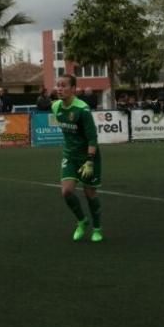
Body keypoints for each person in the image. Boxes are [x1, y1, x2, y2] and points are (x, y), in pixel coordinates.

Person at [53, 74, 104, 242]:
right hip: (70, 155)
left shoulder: (83, 110)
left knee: (90, 193)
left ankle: (97, 229)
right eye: (58, 85)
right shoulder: (55, 107)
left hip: (88, 156)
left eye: (63, 85)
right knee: (66, 191)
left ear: (73, 89)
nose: (59, 88)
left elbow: (92, 138)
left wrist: (89, 160)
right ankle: (82, 221)